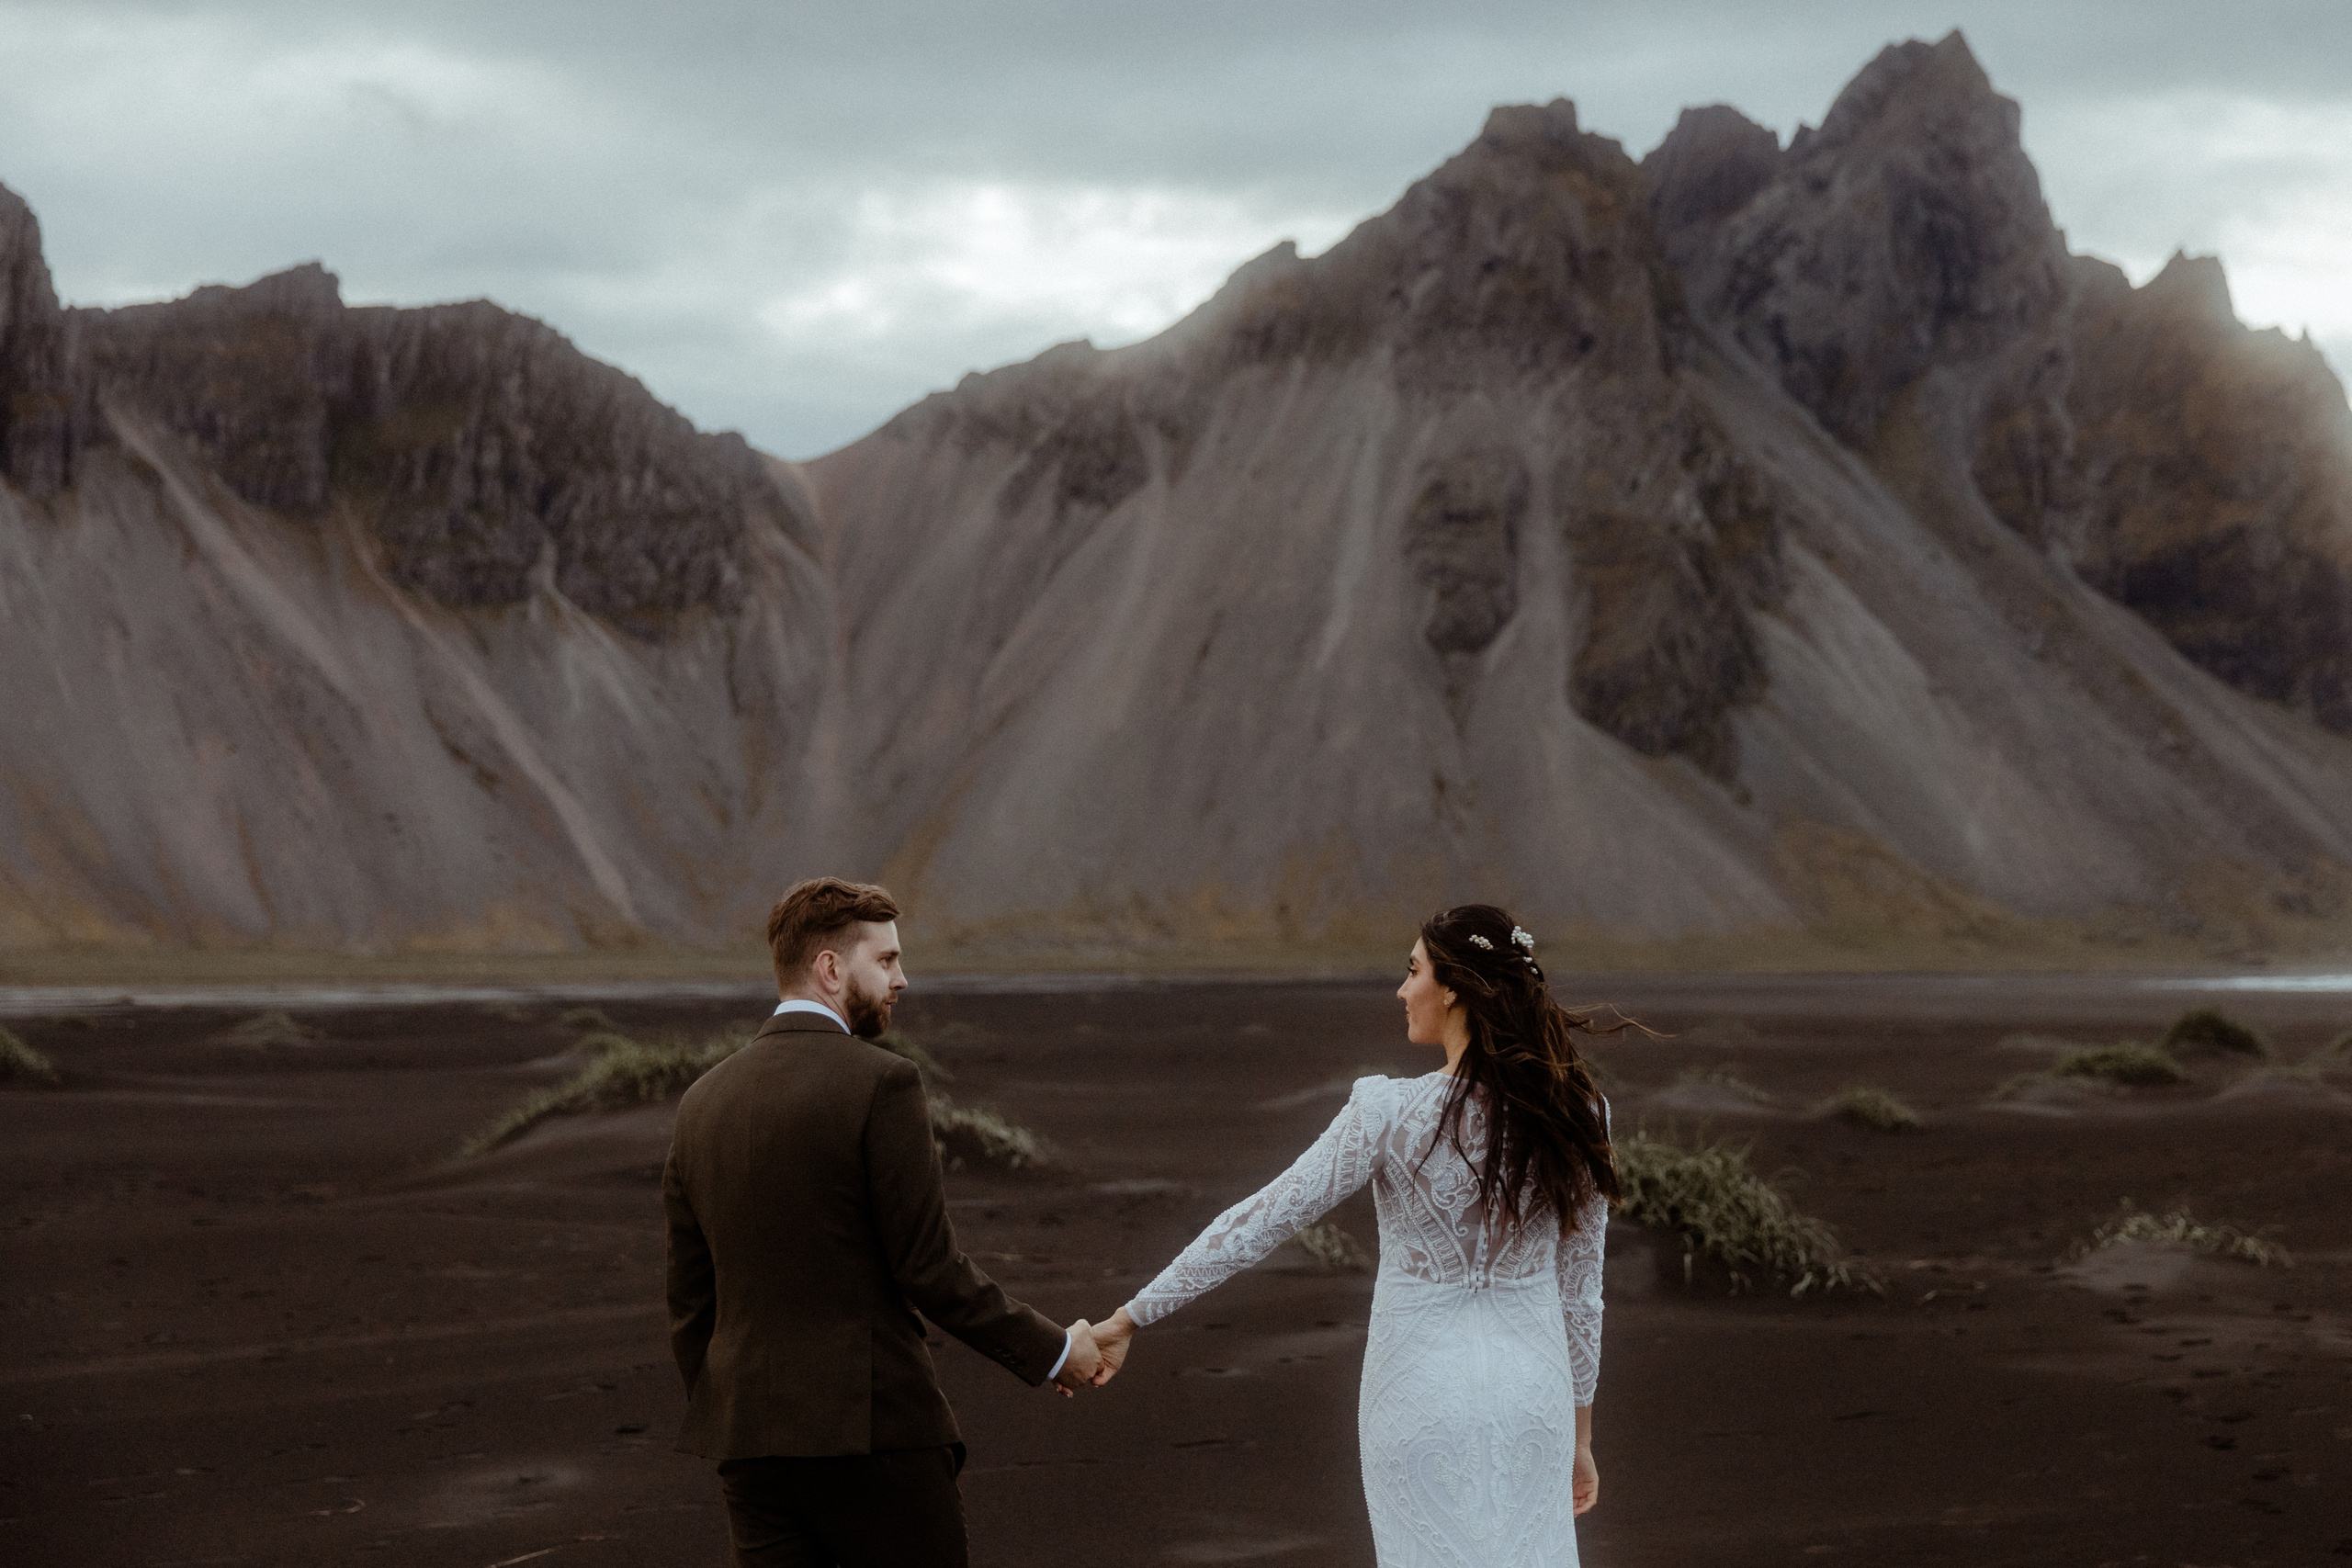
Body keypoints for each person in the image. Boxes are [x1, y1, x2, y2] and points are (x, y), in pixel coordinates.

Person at [1088, 904, 1620, 1567]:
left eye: (1413, 970)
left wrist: (1131, 1316)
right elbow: (1580, 1294)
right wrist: (1580, 1435)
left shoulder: (1387, 1112)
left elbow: (1262, 1218)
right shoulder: (1579, 1111)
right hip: (1533, 1406)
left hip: (1419, 1400)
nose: (1402, 989)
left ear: (1452, 986)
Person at [662, 876, 1102, 1567]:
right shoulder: (881, 1083)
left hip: (751, 1450)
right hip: (873, 1435)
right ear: (830, 967)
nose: (904, 979)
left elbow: (690, 1301)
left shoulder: (700, 1102)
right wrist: (1054, 1351)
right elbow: (929, 1266)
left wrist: (733, 1409)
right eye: (887, 959)